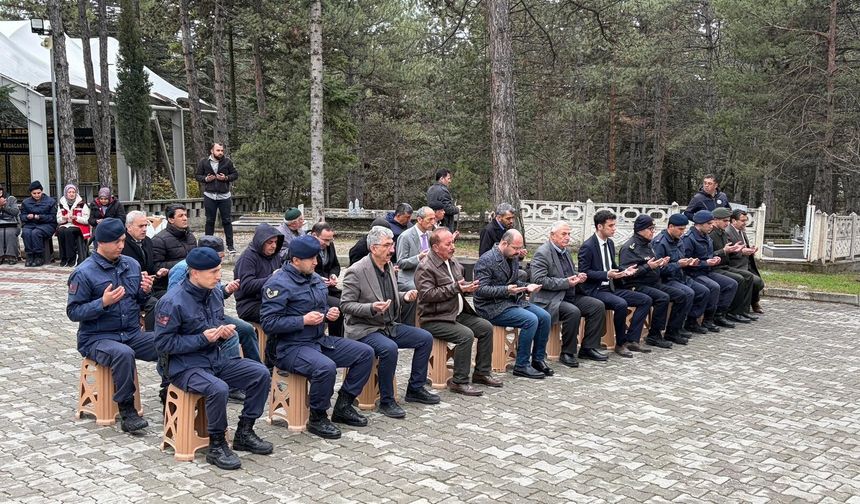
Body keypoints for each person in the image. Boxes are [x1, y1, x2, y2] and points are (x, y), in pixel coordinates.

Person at [155, 247, 273, 470]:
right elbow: (163, 345)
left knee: (260, 373)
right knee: (218, 389)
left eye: (219, 270)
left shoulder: (215, 293)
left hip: (214, 359)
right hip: (184, 367)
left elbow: (213, 327)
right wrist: (202, 339)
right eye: (213, 272)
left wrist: (223, 332)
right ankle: (216, 444)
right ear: (195, 273)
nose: (219, 276)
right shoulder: (173, 301)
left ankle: (245, 432)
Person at [261, 235, 374, 439]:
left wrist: (329, 314)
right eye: (311, 259)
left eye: (316, 258)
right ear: (295, 260)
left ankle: (343, 405)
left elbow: (320, 308)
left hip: (318, 341)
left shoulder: (314, 278)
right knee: (325, 367)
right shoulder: (278, 283)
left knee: (365, 353)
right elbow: (269, 323)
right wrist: (302, 320)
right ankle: (318, 416)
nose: (316, 262)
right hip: (289, 347)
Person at [340, 226, 440, 419]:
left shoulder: (388, 266)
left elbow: (388, 296)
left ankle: (415, 389)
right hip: (365, 329)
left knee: (425, 338)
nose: (392, 249)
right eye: (387, 245)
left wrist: (404, 296)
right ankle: (387, 401)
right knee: (389, 348)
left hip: (388, 325)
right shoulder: (357, 270)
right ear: (373, 248)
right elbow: (346, 305)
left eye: (392, 244)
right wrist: (371, 308)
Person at [66, 218, 155, 433]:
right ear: (100, 243)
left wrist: (145, 291)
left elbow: (139, 302)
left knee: (168, 342)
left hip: (131, 333)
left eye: (123, 240)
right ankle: (127, 411)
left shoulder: (131, 265)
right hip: (97, 338)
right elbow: (73, 312)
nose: (122, 246)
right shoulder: (84, 272)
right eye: (116, 242)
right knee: (123, 354)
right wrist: (102, 303)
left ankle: (172, 389)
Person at [415, 228, 503, 396]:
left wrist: (468, 288)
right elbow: (426, 295)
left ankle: (481, 373)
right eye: (448, 244)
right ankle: (459, 381)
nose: (452, 247)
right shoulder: (425, 267)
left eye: (453, 242)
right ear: (435, 247)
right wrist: (455, 287)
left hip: (456, 313)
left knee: (485, 327)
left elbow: (458, 287)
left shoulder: (453, 261)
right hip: (434, 318)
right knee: (466, 335)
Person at [167, 235, 261, 366]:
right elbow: (174, 300)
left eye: (222, 257)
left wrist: (226, 290)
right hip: (193, 320)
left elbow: (214, 296)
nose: (221, 261)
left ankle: (253, 366)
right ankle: (228, 371)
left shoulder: (215, 268)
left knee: (246, 330)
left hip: (214, 315)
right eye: (219, 256)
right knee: (231, 336)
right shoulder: (182, 269)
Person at [473, 229, 552, 379]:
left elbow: (513, 281)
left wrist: (527, 286)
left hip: (510, 301)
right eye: (515, 248)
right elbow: (481, 289)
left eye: (519, 248)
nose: (518, 252)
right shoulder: (486, 260)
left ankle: (538, 359)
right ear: (504, 243)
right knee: (530, 320)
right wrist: (506, 290)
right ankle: (522, 365)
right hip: (490, 306)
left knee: (545, 316)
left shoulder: (512, 257)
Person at [530, 221, 608, 367]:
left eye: (569, 234)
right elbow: (539, 280)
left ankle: (588, 347)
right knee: (573, 312)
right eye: (563, 234)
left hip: (568, 294)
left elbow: (567, 274)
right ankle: (567, 352)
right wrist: (566, 282)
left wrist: (578, 277)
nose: (567, 237)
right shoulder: (542, 253)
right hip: (550, 299)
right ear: (552, 235)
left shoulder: (565, 251)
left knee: (597, 305)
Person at [577, 210, 652, 358]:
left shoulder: (610, 243)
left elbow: (612, 265)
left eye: (614, 225)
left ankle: (632, 339)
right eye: (610, 226)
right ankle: (620, 344)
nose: (614, 229)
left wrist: (624, 271)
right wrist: (606, 274)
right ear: (599, 226)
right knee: (621, 304)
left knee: (645, 300)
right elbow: (585, 273)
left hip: (610, 287)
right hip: (594, 289)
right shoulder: (588, 246)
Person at [618, 214, 688, 349]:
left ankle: (672, 331)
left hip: (653, 282)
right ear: (640, 229)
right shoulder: (630, 248)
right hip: (636, 285)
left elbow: (651, 264)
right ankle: (654, 335)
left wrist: (661, 263)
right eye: (650, 228)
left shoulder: (648, 244)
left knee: (681, 295)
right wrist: (648, 267)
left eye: (653, 228)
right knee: (663, 298)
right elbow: (628, 274)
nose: (653, 231)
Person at [651, 214, 711, 339]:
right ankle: (672, 330)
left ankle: (690, 322)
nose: (682, 232)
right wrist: (678, 265)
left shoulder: (678, 240)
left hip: (680, 276)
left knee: (703, 291)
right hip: (666, 280)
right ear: (671, 226)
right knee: (687, 293)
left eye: (684, 229)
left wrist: (690, 262)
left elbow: (681, 260)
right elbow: (659, 269)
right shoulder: (660, 242)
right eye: (680, 229)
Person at [679, 210, 739, 331]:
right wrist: (705, 262)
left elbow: (708, 255)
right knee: (713, 287)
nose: (712, 226)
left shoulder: (706, 237)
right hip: (693, 273)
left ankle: (718, 315)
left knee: (731, 283)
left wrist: (714, 258)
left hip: (706, 271)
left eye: (712, 223)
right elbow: (686, 262)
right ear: (700, 224)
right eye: (709, 223)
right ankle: (696, 320)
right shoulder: (689, 239)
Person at [234, 223, 284, 368]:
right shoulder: (248, 258)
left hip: (271, 300)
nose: (273, 246)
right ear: (261, 241)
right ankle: (270, 362)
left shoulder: (275, 256)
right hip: (249, 304)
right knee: (277, 318)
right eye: (270, 242)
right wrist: (271, 278)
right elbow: (246, 286)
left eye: (275, 242)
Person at [708, 207, 757, 323]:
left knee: (748, 276)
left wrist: (737, 250)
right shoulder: (711, 234)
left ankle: (742, 311)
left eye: (728, 221)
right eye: (724, 221)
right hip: (714, 268)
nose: (727, 223)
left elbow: (728, 251)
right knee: (739, 279)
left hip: (724, 266)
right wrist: (725, 251)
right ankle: (732, 312)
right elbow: (709, 255)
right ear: (715, 220)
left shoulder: (722, 233)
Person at [122, 211, 169, 331]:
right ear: (129, 227)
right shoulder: (122, 244)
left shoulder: (147, 241)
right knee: (153, 303)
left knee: (170, 297)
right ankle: (151, 336)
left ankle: (168, 333)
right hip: (132, 291)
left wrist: (158, 272)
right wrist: (137, 276)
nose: (144, 229)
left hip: (150, 287)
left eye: (146, 225)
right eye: (140, 226)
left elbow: (150, 267)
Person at [195, 142, 238, 253]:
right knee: (210, 221)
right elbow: (198, 176)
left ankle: (230, 246)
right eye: (218, 150)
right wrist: (206, 179)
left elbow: (235, 175)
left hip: (224, 196)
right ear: (212, 151)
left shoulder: (227, 162)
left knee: (227, 221)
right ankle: (208, 246)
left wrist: (226, 178)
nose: (220, 153)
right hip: (209, 195)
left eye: (222, 151)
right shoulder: (204, 162)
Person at [151, 204, 196, 296]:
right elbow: (156, 266)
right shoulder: (159, 240)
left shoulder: (190, 237)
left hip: (191, 283)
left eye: (185, 215)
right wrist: (184, 264)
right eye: (180, 216)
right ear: (171, 219)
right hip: (168, 286)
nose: (185, 218)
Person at [726, 209, 765, 314]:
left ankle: (753, 302)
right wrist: (742, 251)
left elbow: (743, 247)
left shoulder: (741, 230)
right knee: (757, 282)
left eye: (746, 220)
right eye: (742, 220)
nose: (745, 223)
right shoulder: (728, 232)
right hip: (736, 266)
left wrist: (750, 250)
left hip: (747, 264)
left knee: (758, 280)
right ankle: (750, 304)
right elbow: (728, 251)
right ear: (734, 221)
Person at [311, 222, 344, 337]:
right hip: (313, 288)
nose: (327, 243)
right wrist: (318, 278)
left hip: (328, 286)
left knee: (348, 300)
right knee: (338, 306)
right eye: (324, 240)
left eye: (330, 240)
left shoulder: (330, 246)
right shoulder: (306, 248)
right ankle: (335, 339)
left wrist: (333, 275)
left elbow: (335, 265)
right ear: (314, 235)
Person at [396, 206, 437, 291]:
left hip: (428, 274)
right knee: (421, 288)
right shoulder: (405, 236)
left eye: (434, 219)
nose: (433, 222)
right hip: (410, 276)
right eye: (429, 219)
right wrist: (418, 257)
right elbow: (401, 263)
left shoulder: (430, 235)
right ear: (419, 220)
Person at [21, 180, 57, 267]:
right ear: (31, 193)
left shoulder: (50, 201)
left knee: (36, 233)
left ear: (42, 191)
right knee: (25, 232)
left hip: (47, 225)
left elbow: (53, 217)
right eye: (34, 193)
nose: (37, 195)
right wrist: (27, 217)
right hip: (30, 224)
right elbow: (22, 216)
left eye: (38, 193)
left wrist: (40, 217)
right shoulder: (26, 202)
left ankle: (39, 256)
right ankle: (30, 255)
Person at [56, 183, 91, 267]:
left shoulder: (82, 204)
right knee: (60, 231)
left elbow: (87, 220)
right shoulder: (61, 204)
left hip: (79, 226)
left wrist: (76, 218)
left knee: (69, 231)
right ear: (65, 193)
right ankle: (63, 257)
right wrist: (64, 218)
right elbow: (58, 220)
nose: (71, 194)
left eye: (73, 192)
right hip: (66, 224)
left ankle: (72, 257)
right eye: (69, 192)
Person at [0, 184, 20, 264]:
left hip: (11, 223)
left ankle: (11, 256)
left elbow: (15, 212)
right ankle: (0, 255)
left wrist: (4, 207)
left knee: (10, 233)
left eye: (0, 190)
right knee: (0, 233)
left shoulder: (11, 199)